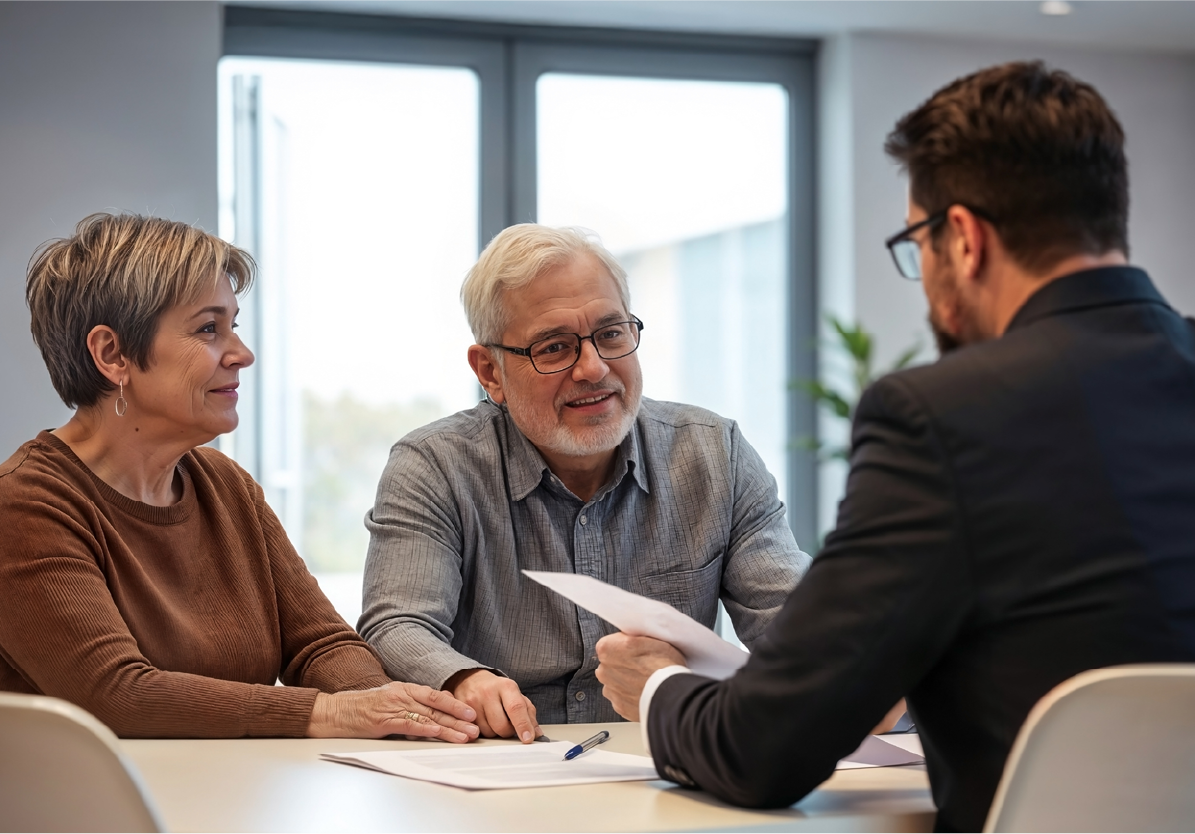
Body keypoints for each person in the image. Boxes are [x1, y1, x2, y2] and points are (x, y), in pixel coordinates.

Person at [594, 60, 1195, 834]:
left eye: (917, 243)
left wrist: (656, 686)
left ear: (963, 239)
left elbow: (762, 749)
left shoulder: (943, 417)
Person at [0, 213, 479, 742]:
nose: (242, 355)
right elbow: (118, 696)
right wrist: (330, 713)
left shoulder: (227, 486)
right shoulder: (23, 504)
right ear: (112, 355)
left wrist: (393, 710)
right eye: (209, 329)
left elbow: (321, 644)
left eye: (234, 326)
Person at [359, 223, 811, 742]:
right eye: (554, 347)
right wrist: (463, 678)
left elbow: (799, 629)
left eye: (611, 334)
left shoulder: (715, 455)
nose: (594, 369)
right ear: (490, 372)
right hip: (500, 764)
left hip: (664, 761)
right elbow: (397, 625)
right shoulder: (434, 465)